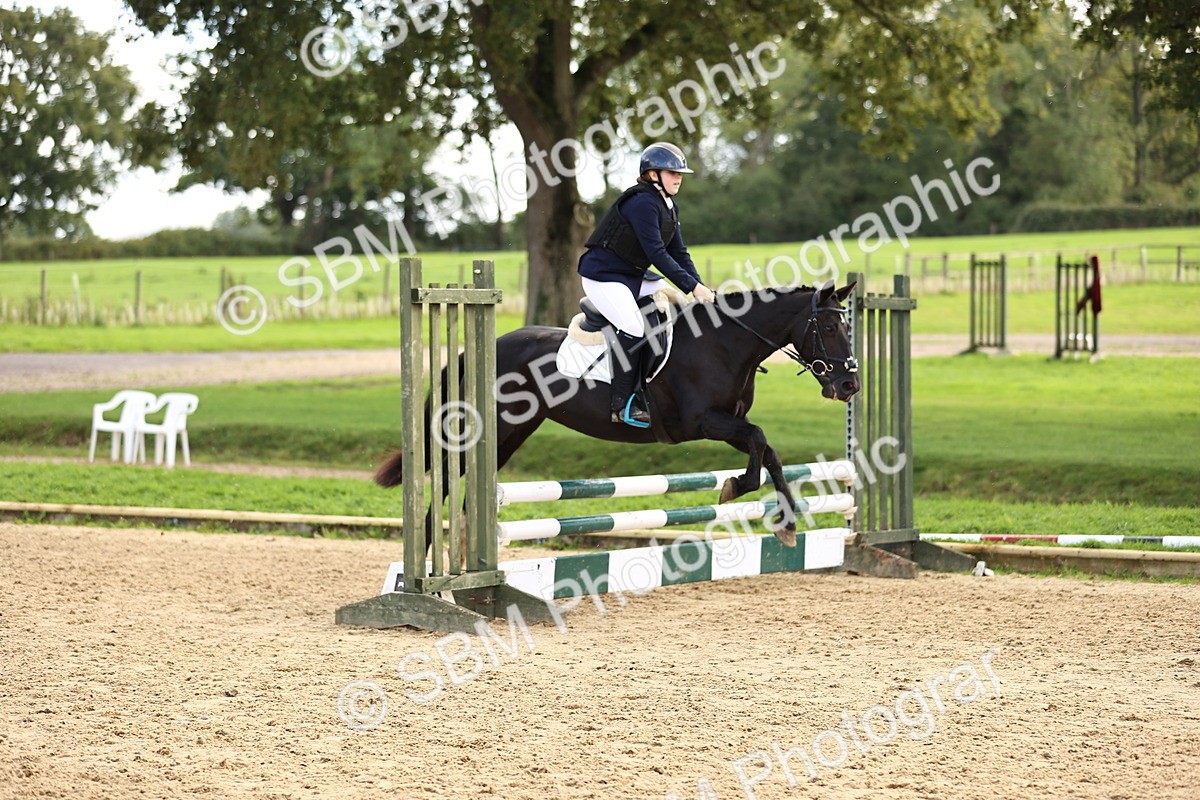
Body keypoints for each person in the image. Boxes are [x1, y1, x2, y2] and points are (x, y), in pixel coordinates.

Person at [577, 142, 717, 428]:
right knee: (633, 327)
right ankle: (621, 403)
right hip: (603, 276)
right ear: (653, 174)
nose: (679, 178)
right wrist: (692, 287)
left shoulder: (668, 205)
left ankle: (659, 384)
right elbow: (657, 253)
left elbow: (679, 252)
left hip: (631, 276)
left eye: (680, 173)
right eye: (672, 172)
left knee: (675, 309)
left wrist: (699, 287)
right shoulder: (641, 203)